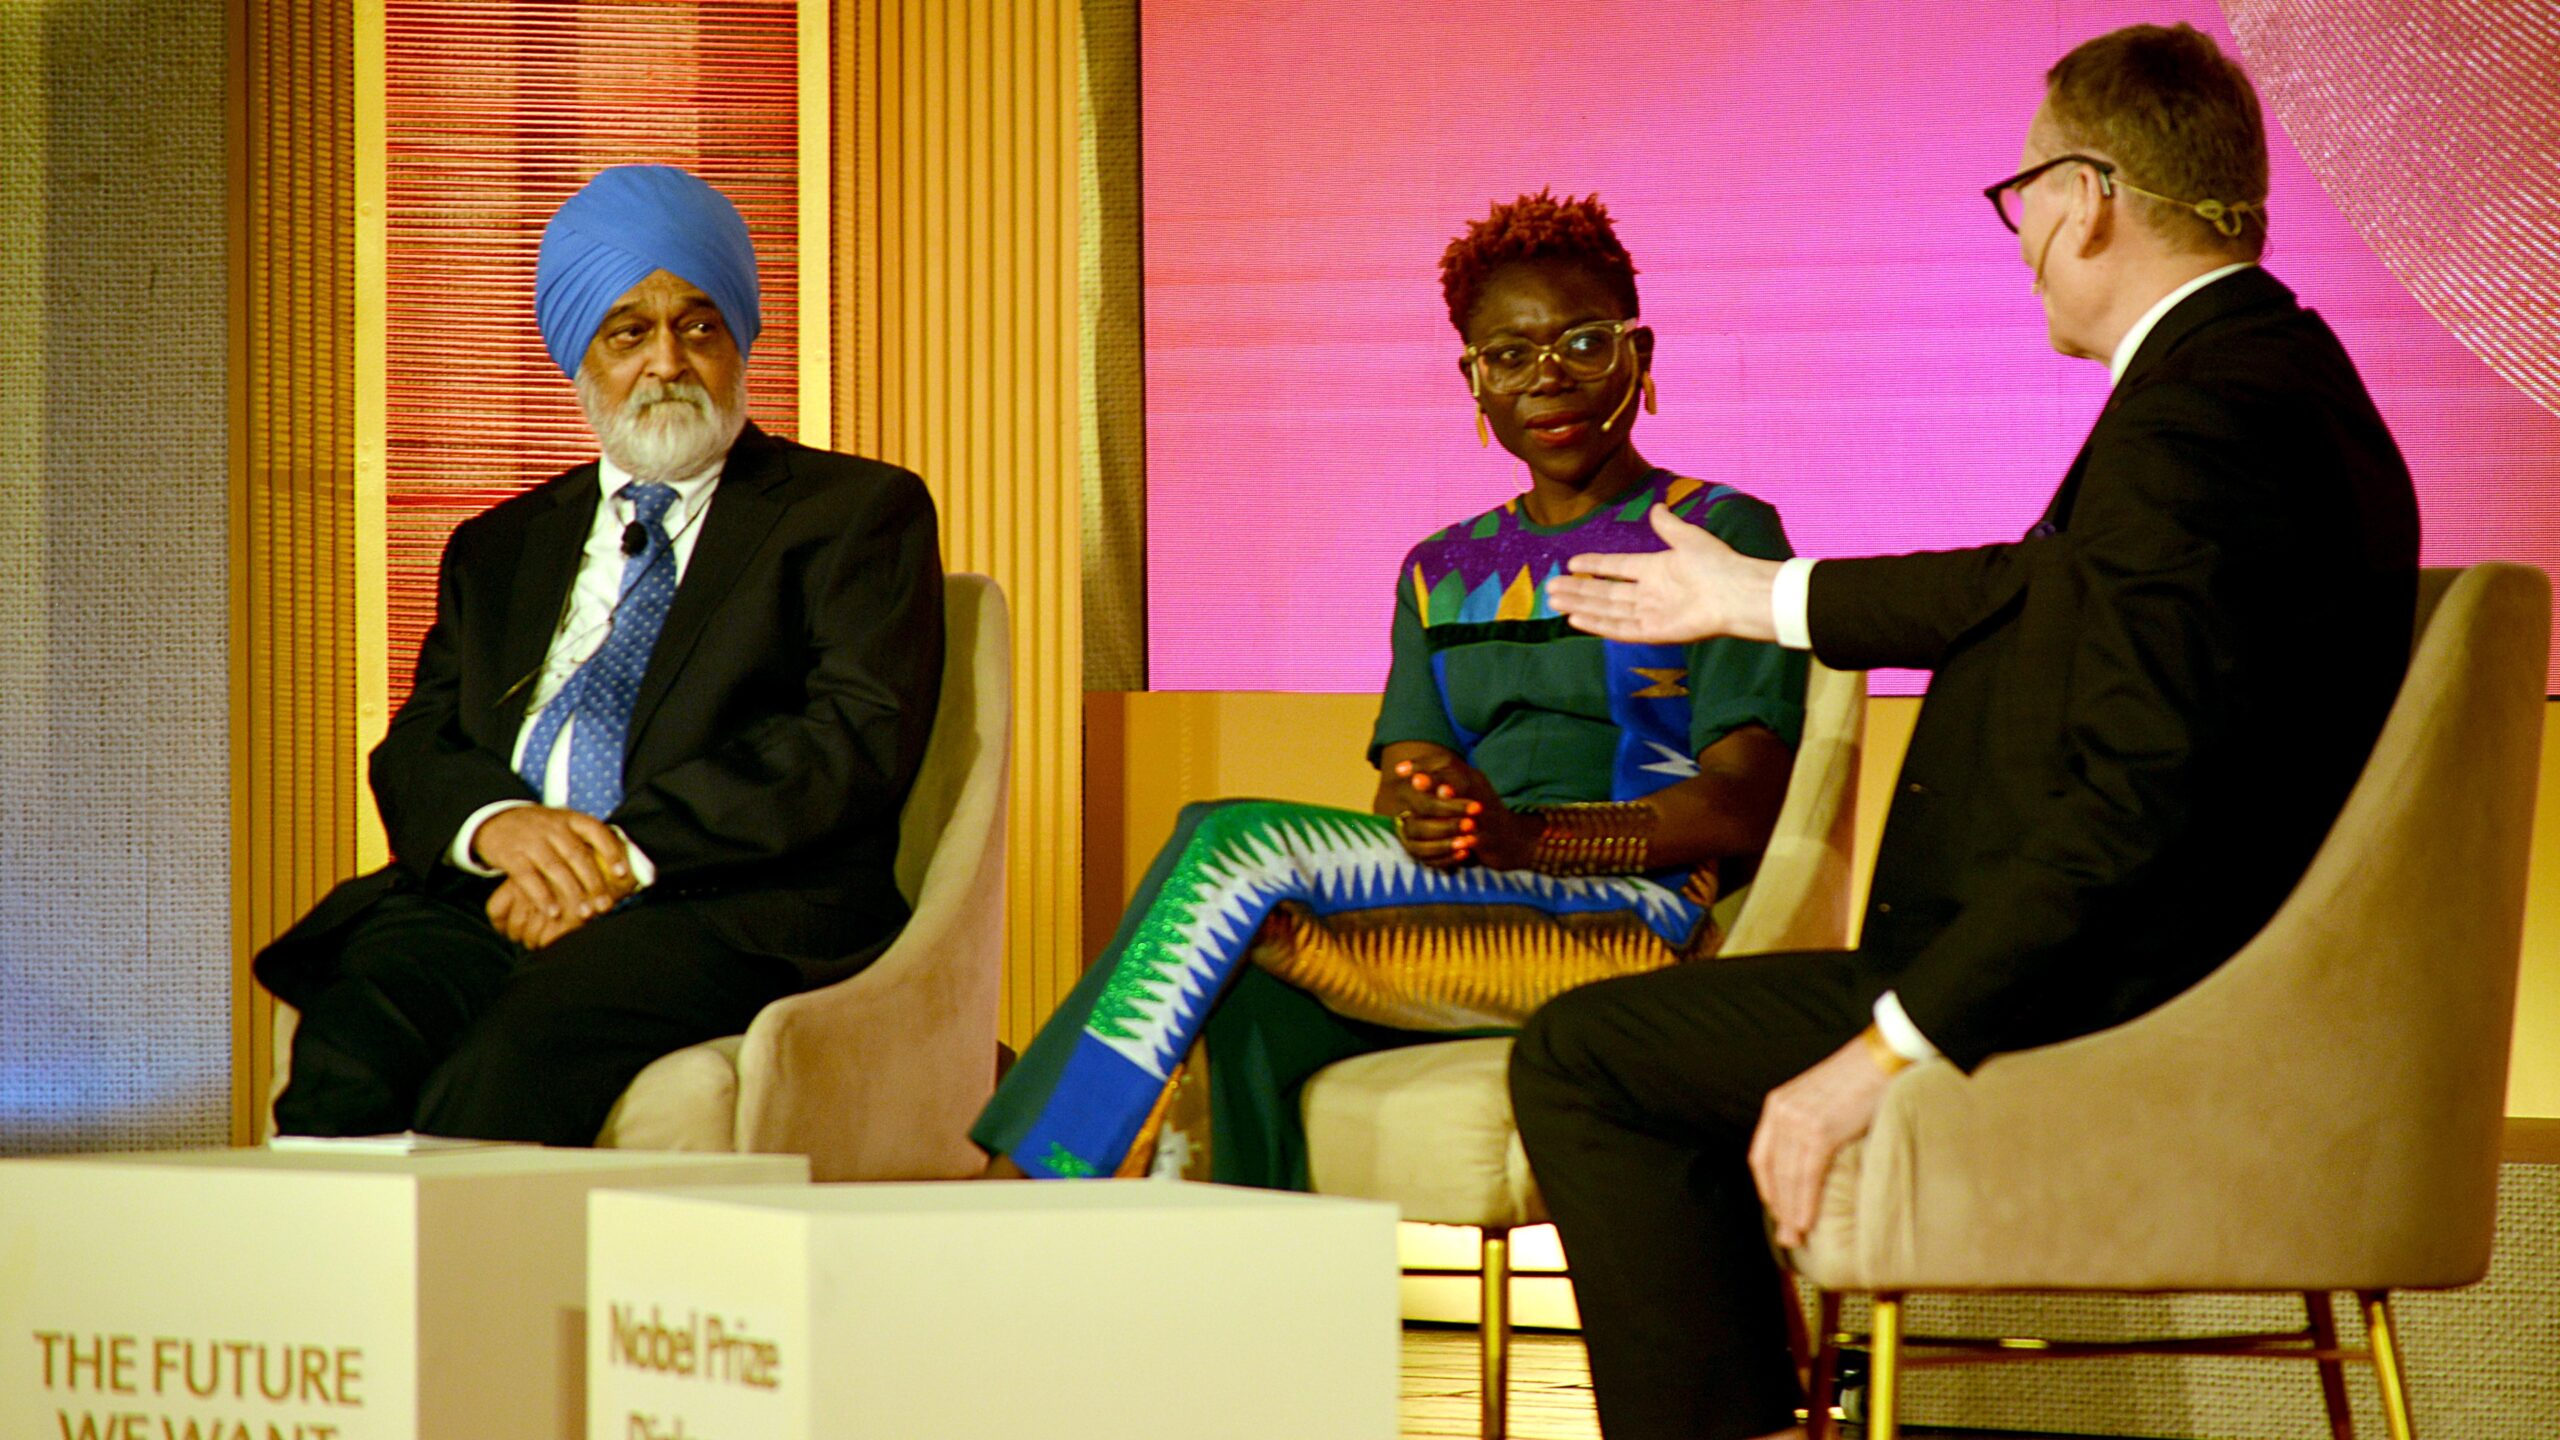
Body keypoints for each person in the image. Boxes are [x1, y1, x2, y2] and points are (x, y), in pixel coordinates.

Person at [1511, 24, 2422, 1440]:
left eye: (2021, 195)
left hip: (2124, 1001)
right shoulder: (2266, 380)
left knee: (1584, 1059)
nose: (2021, 241)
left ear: (2086, 195)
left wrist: (1885, 1047)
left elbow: (2135, 805)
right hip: (2207, 980)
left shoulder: (2196, 428)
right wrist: (1762, 599)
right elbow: (2036, 586)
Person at [974, 191, 1808, 1185]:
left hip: (1633, 921)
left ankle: (1028, 1178)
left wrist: (1534, 839)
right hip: (1471, 898)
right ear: (1475, 383)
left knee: (1232, 840)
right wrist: (1431, 810)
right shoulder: (1440, 569)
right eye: (1510, 356)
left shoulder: (1716, 533)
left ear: (1640, 353)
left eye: (1583, 344)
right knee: (1241, 998)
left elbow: (1743, 802)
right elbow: (1405, 780)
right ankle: (1261, 1275)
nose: (1548, 377)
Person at [256, 165, 944, 1145]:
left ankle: (492, 1259)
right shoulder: (500, 546)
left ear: (739, 341)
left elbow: (849, 738)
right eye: (629, 332)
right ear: (579, 354)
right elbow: (420, 743)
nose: (667, 361)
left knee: (504, 1073)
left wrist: (614, 856)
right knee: (351, 1059)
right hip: (491, 893)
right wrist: (499, 829)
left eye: (698, 326)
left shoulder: (850, 514)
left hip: (714, 903)